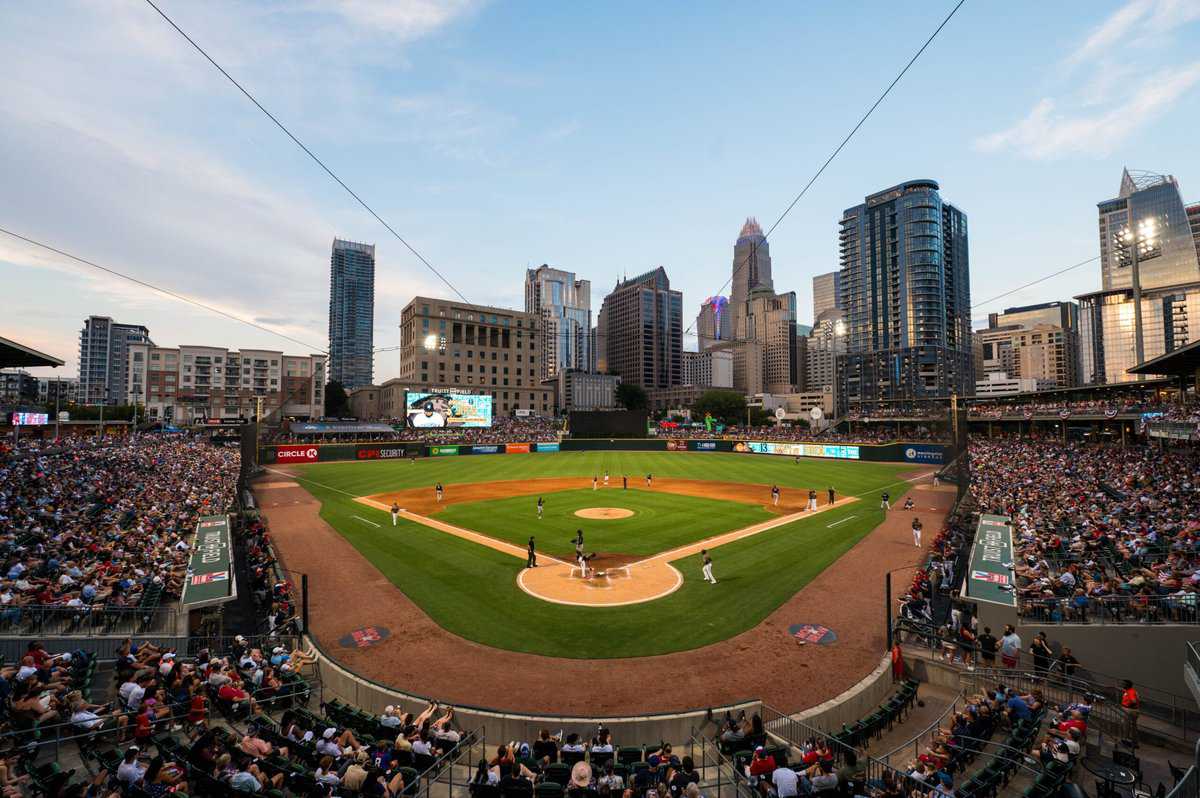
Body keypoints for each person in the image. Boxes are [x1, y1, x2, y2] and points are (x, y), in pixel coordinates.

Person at [1121, 679, 1140, 744]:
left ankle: (1125, 739)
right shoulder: (1129, 691)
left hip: (1130, 711)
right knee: (1133, 727)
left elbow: (1133, 701)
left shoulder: (1130, 692)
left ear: (1127, 685)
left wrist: (1128, 707)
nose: (1122, 684)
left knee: (1126, 725)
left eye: (1124, 684)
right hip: (1132, 710)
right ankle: (1134, 741)